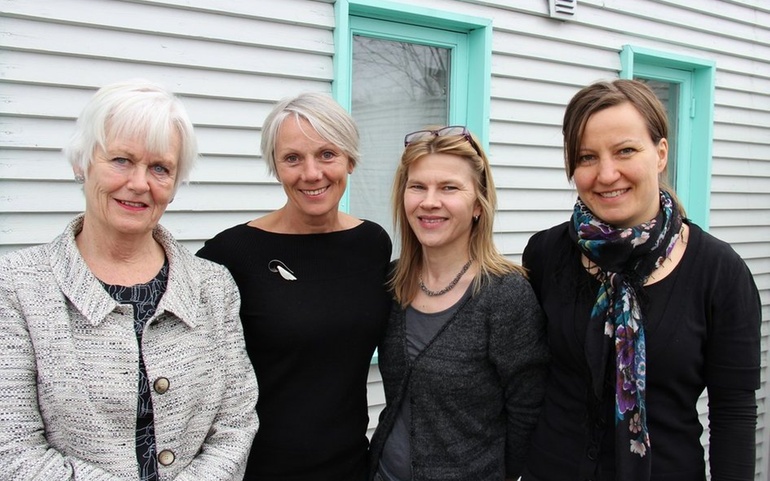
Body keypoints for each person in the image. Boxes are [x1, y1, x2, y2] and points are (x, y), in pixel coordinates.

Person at [0, 79, 259, 480]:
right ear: (81, 163)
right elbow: (14, 449)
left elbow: (235, 425)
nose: (139, 183)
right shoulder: (17, 286)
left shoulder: (213, 287)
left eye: (160, 168)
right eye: (121, 159)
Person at [521, 79, 762, 481]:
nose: (606, 173)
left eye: (625, 150)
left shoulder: (719, 272)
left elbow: (733, 413)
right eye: (586, 157)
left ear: (660, 153)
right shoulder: (546, 254)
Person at [197, 92, 392, 481]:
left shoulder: (373, 244)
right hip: (258, 469)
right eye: (292, 158)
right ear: (275, 166)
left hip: (352, 464)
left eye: (326, 154)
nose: (311, 173)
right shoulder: (231, 254)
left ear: (349, 160)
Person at [368, 126, 550, 481]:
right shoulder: (390, 283)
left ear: (478, 205)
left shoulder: (505, 294)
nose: (429, 201)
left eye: (449, 188)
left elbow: (528, 412)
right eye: (418, 186)